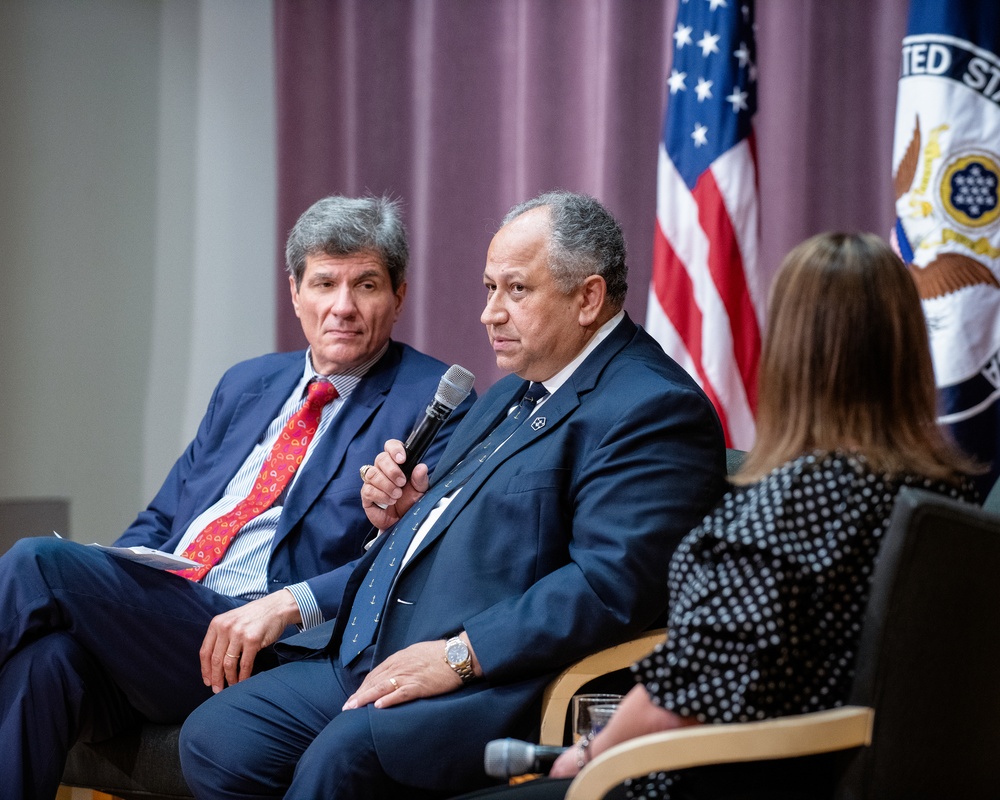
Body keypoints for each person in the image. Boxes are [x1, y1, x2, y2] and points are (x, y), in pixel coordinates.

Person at [178, 190, 728, 799]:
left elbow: (609, 588)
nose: (490, 313)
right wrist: (403, 516)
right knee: (218, 739)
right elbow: (468, 521)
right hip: (377, 648)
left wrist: (458, 657)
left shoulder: (652, 408)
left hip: (497, 677)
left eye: (515, 290)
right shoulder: (510, 393)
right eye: (489, 289)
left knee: (342, 760)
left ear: (588, 299)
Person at [0, 194, 472, 799]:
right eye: (324, 283)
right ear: (295, 292)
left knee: (37, 562)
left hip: (266, 636)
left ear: (399, 295)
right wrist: (113, 585)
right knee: (48, 665)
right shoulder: (247, 382)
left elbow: (412, 556)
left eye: (367, 285)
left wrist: (288, 605)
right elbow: (166, 515)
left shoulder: (432, 403)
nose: (343, 307)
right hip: (171, 609)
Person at [481, 231, 979, 800]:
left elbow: (681, 698)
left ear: (791, 351)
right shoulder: (947, 494)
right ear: (909, 347)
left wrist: (586, 755)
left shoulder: (793, 501)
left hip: (722, 777)